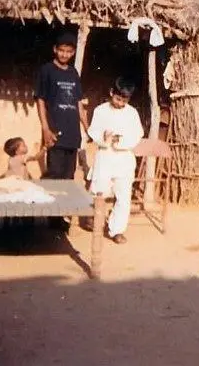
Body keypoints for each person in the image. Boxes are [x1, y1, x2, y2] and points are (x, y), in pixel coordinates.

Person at [87, 77, 144, 244]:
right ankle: (96, 220)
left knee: (123, 196)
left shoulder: (132, 113)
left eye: (124, 100)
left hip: (124, 159)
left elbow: (137, 135)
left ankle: (117, 229)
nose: (120, 103)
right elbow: (93, 131)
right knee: (99, 191)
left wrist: (121, 141)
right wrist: (103, 137)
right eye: (118, 99)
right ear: (111, 93)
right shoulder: (100, 110)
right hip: (105, 157)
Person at [35, 32, 88, 180]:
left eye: (68, 52)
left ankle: (66, 204)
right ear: (55, 49)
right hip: (55, 132)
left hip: (72, 133)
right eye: (62, 50)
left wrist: (86, 126)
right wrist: (45, 129)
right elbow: (40, 100)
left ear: (73, 53)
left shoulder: (73, 73)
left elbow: (78, 102)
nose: (64, 54)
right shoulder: (47, 70)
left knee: (68, 176)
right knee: (55, 174)